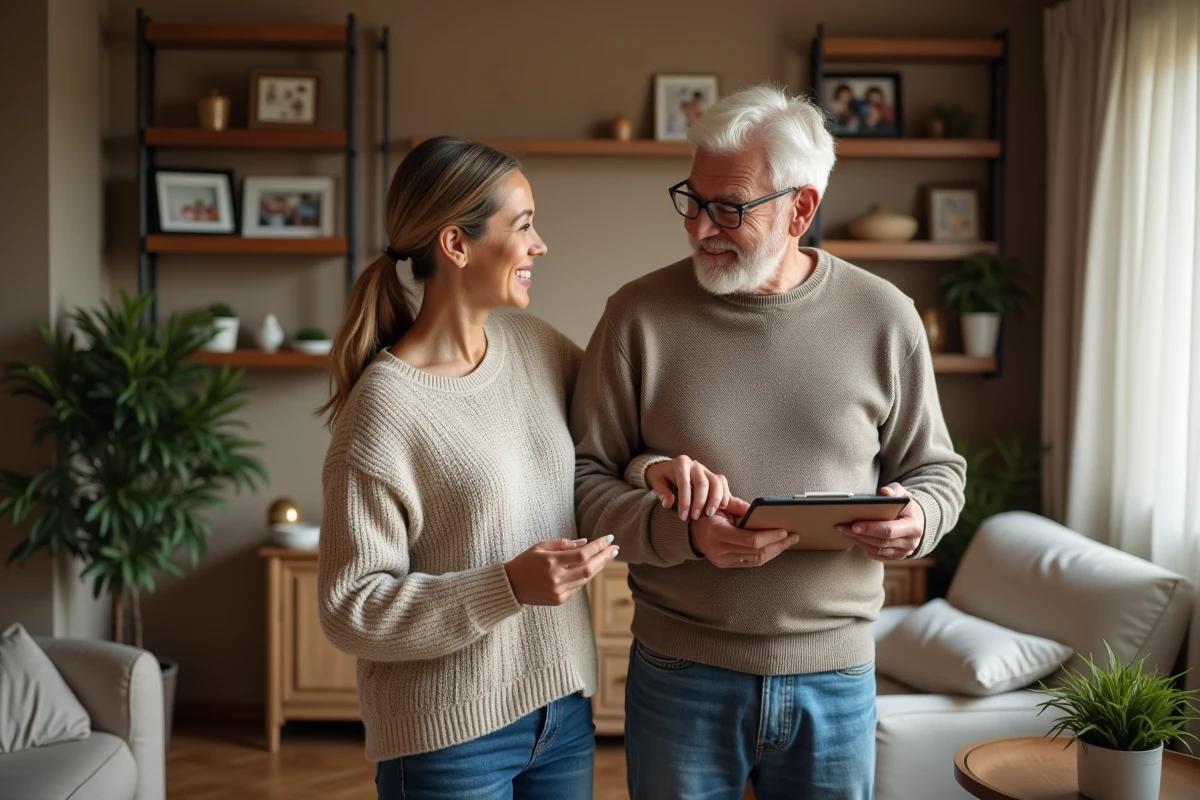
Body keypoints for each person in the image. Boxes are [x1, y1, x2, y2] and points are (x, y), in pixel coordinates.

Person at [571, 85, 967, 800]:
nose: (699, 227)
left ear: (801, 209)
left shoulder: (886, 317)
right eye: (692, 200)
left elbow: (935, 470)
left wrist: (918, 520)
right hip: (680, 671)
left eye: (730, 208)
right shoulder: (637, 316)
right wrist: (685, 534)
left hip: (838, 677)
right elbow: (581, 483)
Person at [315, 136, 730, 800]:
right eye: (524, 226)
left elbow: (611, 443)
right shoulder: (382, 411)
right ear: (456, 245)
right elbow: (350, 608)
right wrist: (505, 585)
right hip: (445, 739)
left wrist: (651, 470)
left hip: (562, 713)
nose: (540, 245)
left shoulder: (535, 347)